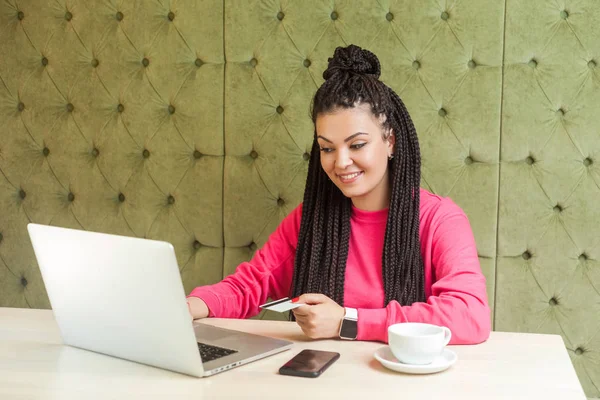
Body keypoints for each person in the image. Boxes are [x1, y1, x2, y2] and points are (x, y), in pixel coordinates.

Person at [187, 44, 491, 345]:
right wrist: (187, 308)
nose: (341, 162)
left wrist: (349, 321)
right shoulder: (311, 220)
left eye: (356, 145)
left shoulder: (439, 220)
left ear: (391, 142)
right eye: (327, 148)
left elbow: (470, 315)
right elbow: (248, 285)